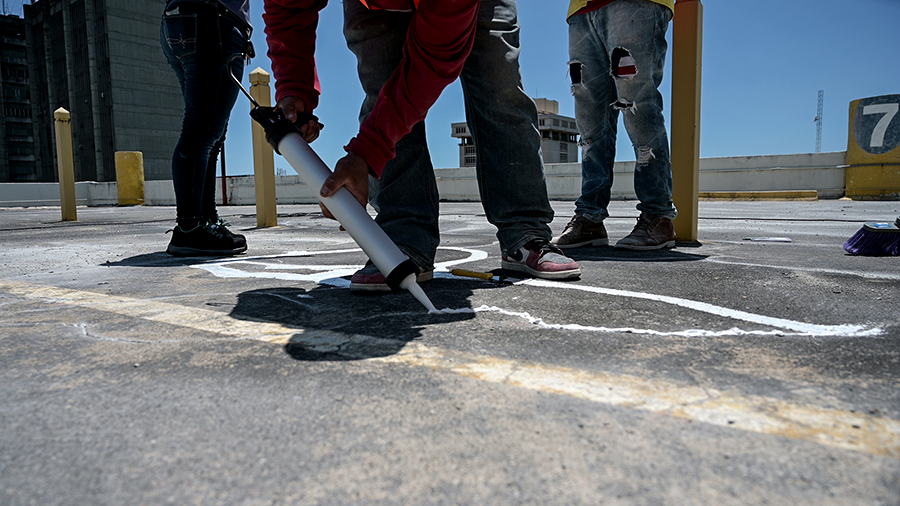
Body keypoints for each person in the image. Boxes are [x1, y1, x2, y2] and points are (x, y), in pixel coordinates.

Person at [263, 0, 581, 289]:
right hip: (371, 7)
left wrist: (366, 154)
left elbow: (430, 64)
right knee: (382, 92)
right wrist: (293, 87)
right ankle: (404, 237)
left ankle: (524, 231)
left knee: (499, 87)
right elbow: (287, 8)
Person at [552, 0, 677, 251]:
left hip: (635, 4)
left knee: (637, 106)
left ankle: (658, 216)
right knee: (589, 124)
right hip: (581, 10)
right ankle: (590, 217)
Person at [160, 0, 253, 256]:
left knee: (208, 132)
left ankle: (204, 222)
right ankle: (190, 228)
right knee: (202, 132)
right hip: (214, 21)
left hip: (183, 20)